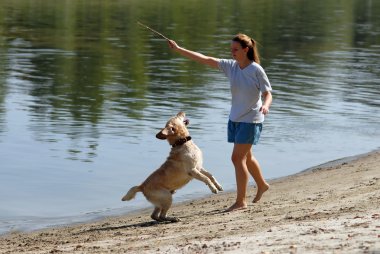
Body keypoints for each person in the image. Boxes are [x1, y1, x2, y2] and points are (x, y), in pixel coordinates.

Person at [167, 33, 272, 212]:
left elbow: (267, 93)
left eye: (236, 50)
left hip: (251, 119)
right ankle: (262, 185)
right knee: (246, 156)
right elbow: (205, 59)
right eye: (231, 49)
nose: (232, 52)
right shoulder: (231, 66)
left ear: (246, 50)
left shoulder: (256, 70)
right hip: (235, 118)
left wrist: (266, 106)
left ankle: (241, 202)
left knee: (237, 158)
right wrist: (178, 49)